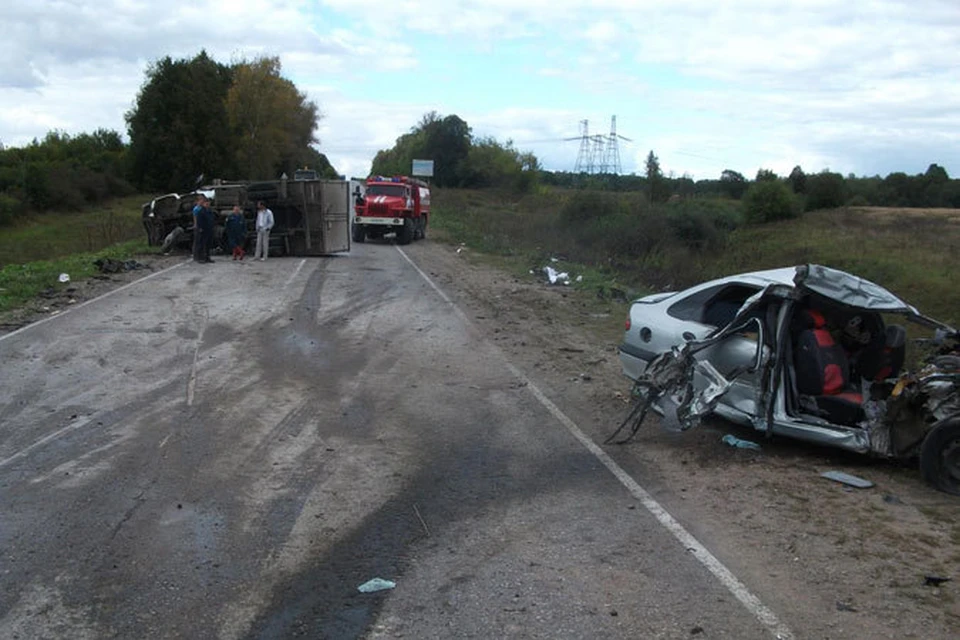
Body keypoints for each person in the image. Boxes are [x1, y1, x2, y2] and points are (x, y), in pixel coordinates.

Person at [195, 195, 215, 263]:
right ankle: (200, 258)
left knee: (208, 244)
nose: (207, 204)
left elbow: (212, 219)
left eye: (208, 203)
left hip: (209, 230)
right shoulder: (201, 211)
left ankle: (207, 257)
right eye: (206, 203)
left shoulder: (209, 211)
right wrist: (200, 228)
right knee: (201, 244)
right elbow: (199, 221)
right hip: (203, 230)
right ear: (204, 204)